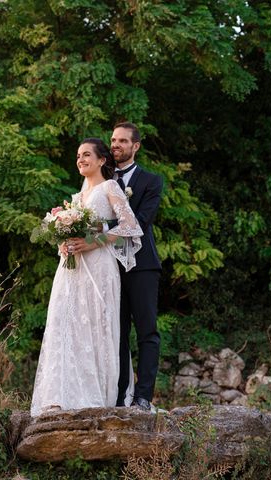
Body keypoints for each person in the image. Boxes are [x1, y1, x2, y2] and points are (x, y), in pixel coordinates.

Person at [30, 138, 143, 417]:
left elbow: (130, 225)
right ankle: (62, 394)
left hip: (99, 267)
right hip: (73, 268)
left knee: (94, 323)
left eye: (87, 155)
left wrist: (94, 241)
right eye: (78, 155)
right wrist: (63, 242)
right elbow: (70, 232)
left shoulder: (110, 188)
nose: (81, 159)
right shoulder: (77, 199)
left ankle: (95, 394)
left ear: (102, 160)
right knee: (67, 324)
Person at [110, 122, 163, 411]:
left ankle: (143, 396)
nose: (115, 145)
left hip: (142, 266)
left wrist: (99, 231)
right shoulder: (102, 180)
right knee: (116, 333)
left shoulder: (151, 181)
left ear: (135, 146)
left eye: (122, 141)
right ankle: (119, 396)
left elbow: (141, 221)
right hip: (109, 268)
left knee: (146, 331)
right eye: (113, 140)